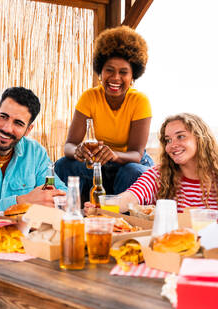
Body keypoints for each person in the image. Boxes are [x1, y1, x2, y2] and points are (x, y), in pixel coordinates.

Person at [55, 25, 154, 202]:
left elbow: (136, 154)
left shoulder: (140, 102)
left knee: (133, 172)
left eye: (123, 72)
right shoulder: (90, 97)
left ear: (133, 76)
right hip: (98, 165)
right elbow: (69, 145)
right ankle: (69, 216)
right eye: (109, 70)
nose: (115, 78)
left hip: (129, 163)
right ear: (100, 71)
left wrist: (114, 155)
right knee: (63, 165)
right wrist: (78, 151)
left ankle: (124, 222)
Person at [85, 113, 218, 214]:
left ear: (200, 139)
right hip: (172, 253)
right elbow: (130, 198)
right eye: (168, 140)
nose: (172, 145)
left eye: (181, 136)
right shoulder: (159, 175)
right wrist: (100, 207)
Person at [0, 86, 67, 218]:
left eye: (18, 123)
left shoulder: (36, 153)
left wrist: (65, 202)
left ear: (28, 130)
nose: (7, 128)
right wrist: (21, 202)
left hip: (24, 236)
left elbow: (61, 193)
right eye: (3, 117)